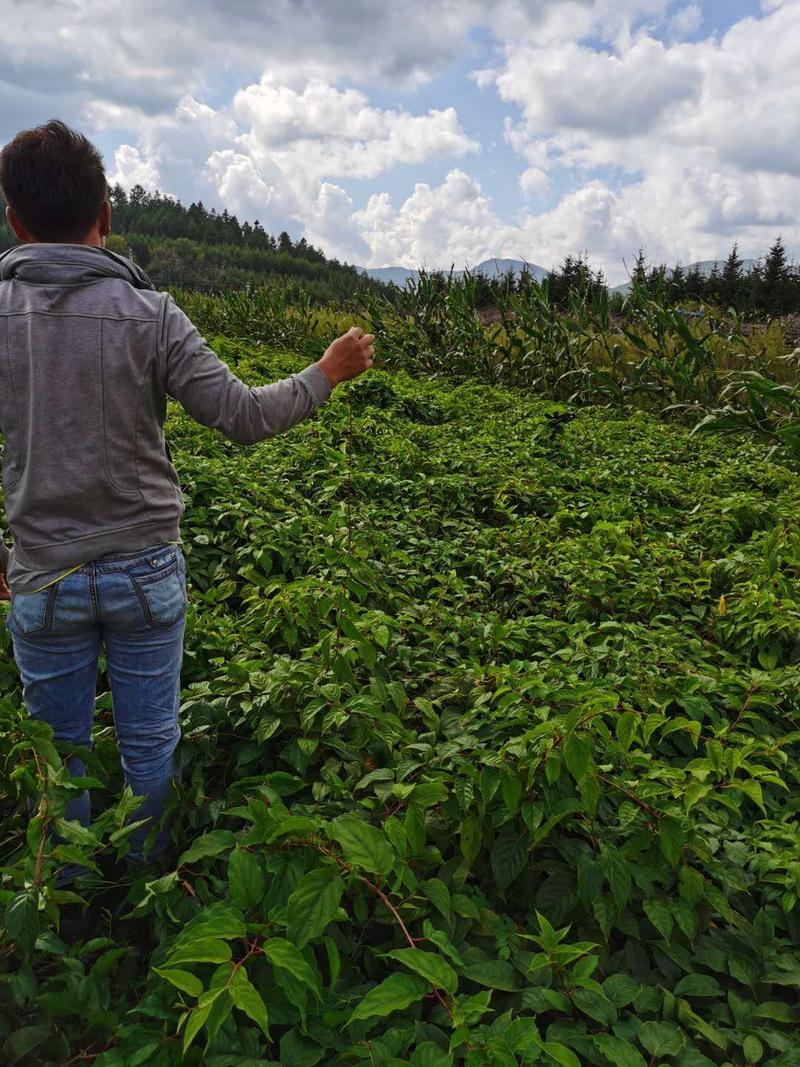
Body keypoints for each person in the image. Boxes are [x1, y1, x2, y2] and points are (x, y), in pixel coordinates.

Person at [0, 119, 374, 892]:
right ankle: (145, 900)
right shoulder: (153, 314)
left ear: (14, 219)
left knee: (58, 752)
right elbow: (242, 415)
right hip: (145, 572)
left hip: (40, 573)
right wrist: (325, 372)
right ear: (106, 213)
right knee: (150, 746)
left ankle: (68, 910)